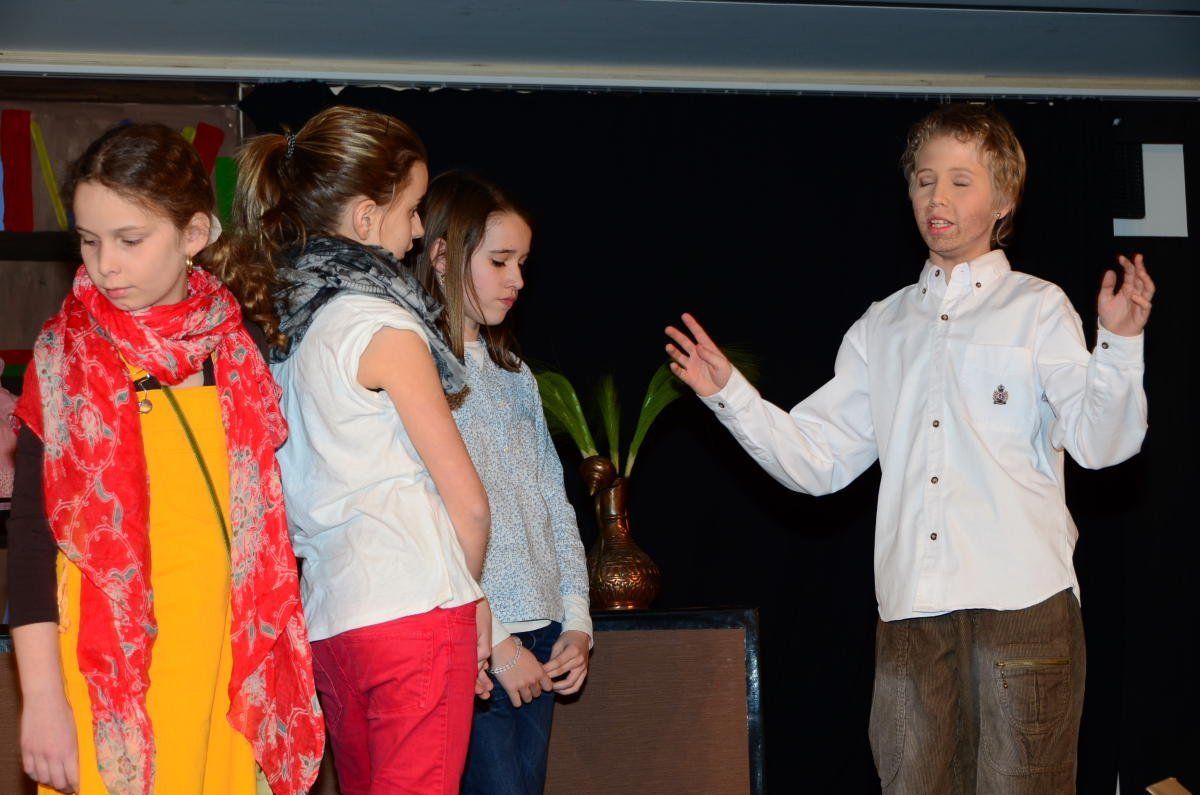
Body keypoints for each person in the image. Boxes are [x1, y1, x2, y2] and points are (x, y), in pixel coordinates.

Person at [665, 104, 1154, 794]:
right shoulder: (882, 325)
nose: (937, 197)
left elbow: (1101, 446)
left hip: (1024, 604)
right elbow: (817, 461)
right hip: (910, 613)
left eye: (960, 181)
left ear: (1004, 200)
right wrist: (730, 395)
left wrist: (1121, 345)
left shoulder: (1038, 307)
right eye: (925, 180)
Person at [6, 123, 322, 795]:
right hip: (108, 673)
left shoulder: (238, 353)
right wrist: (42, 699)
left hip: (225, 665)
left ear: (194, 234)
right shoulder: (63, 362)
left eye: (129, 240)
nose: (105, 265)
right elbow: (32, 540)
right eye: (89, 241)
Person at [236, 106, 494, 794]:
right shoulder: (383, 327)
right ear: (365, 218)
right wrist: (468, 598)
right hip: (415, 608)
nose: (419, 231)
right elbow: (469, 505)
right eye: (412, 210)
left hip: (331, 621)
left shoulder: (282, 334)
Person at [412, 171, 592, 795]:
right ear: (442, 255)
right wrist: (498, 642)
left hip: (542, 629)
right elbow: (429, 516)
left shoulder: (517, 377)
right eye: (499, 261)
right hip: (478, 640)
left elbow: (554, 504)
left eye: (522, 263)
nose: (517, 279)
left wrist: (576, 620)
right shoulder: (416, 370)